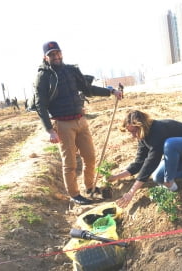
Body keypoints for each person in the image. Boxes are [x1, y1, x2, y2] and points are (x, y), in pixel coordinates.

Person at [33, 41, 123, 205]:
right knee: (70, 163)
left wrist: (110, 91)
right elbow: (41, 105)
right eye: (51, 54)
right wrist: (49, 130)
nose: (56, 56)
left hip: (81, 121)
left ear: (61, 53)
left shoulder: (71, 71)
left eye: (57, 53)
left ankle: (90, 187)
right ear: (45, 57)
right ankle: (75, 194)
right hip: (63, 124)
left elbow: (88, 89)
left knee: (90, 157)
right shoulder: (43, 76)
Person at [107, 110, 182, 208]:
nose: (133, 136)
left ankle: (170, 181)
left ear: (141, 126)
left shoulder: (158, 129)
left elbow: (151, 162)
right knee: (158, 177)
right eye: (130, 133)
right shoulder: (143, 137)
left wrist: (131, 192)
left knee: (170, 144)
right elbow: (139, 163)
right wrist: (116, 177)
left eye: (134, 131)